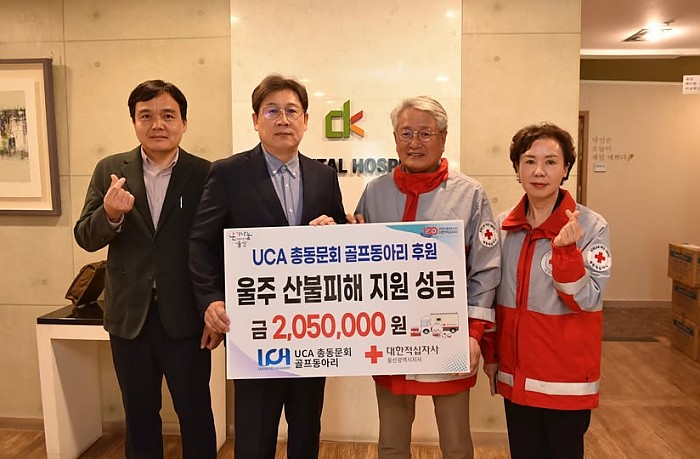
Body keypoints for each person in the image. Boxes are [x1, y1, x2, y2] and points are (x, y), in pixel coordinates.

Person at [189, 74, 346, 459]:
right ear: (255, 120)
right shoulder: (228, 173)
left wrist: (334, 230)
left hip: (311, 328)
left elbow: (341, 240)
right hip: (254, 329)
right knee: (255, 433)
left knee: (306, 428)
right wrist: (211, 299)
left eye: (292, 111)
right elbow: (201, 241)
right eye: (272, 111)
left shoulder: (323, 176)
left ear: (305, 120)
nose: (283, 119)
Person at [349, 96, 501, 459]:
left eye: (425, 133)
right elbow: (359, 262)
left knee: (456, 443)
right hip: (390, 335)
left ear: (443, 137)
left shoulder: (470, 195)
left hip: (448, 335)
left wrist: (473, 334)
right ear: (395, 139)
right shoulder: (375, 191)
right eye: (406, 133)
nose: (414, 142)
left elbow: (485, 269)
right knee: (391, 441)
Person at [74, 80, 218, 458]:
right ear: (134, 122)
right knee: (138, 415)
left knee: (195, 413)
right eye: (146, 116)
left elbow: (217, 247)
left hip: (186, 317)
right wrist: (110, 214)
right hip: (129, 318)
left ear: (184, 123)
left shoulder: (205, 173)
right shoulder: (110, 169)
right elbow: (85, 235)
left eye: (168, 115)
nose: (158, 124)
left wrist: (212, 307)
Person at [483, 123, 612, 459]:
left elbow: (588, 299)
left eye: (550, 162)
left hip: (565, 380)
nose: (539, 171)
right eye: (529, 161)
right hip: (516, 376)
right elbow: (491, 298)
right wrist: (491, 355)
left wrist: (566, 254)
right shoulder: (502, 227)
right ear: (517, 168)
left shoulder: (591, 227)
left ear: (565, 168)